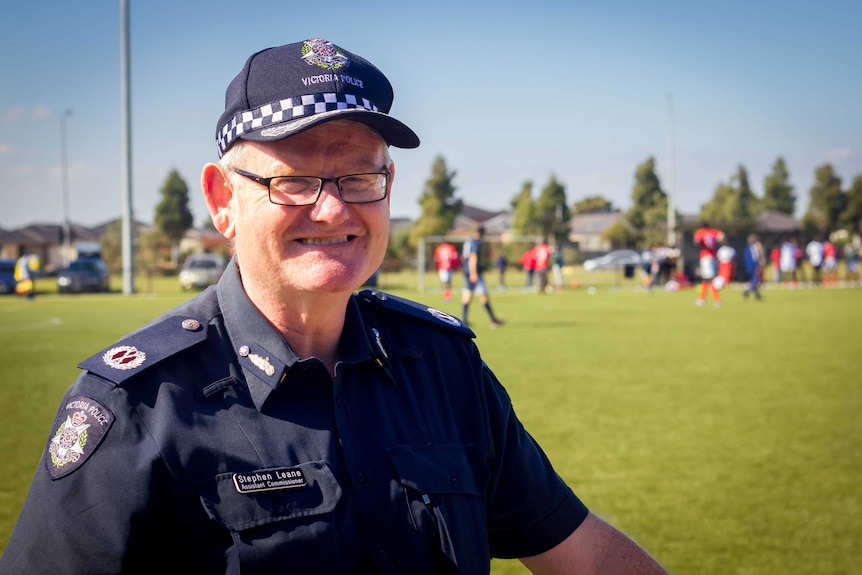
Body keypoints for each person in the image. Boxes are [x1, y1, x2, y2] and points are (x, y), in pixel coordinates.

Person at [0, 38, 668, 575]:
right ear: (222, 198)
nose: (334, 208)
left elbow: (581, 550)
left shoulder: (444, 370)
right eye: (293, 180)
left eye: (358, 176)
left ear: (389, 184)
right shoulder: (140, 407)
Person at [461, 226, 504, 328]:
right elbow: (473, 257)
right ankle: (493, 320)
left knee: (468, 295)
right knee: (483, 295)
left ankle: (464, 320)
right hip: (474, 273)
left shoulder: (468, 241)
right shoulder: (476, 242)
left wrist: (466, 269)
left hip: (467, 271)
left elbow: (463, 257)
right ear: (481, 234)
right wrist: (473, 272)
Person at [693, 221, 724, 307]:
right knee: (706, 279)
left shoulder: (700, 232)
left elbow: (696, 241)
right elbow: (721, 236)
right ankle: (702, 299)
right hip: (713, 256)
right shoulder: (713, 232)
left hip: (705, 257)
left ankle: (716, 300)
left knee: (709, 279)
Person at [742, 234, 765, 300]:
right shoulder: (752, 248)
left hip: (751, 266)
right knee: (755, 280)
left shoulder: (750, 248)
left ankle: (756, 294)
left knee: (754, 280)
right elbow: (754, 258)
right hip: (752, 267)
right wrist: (756, 266)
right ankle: (747, 291)